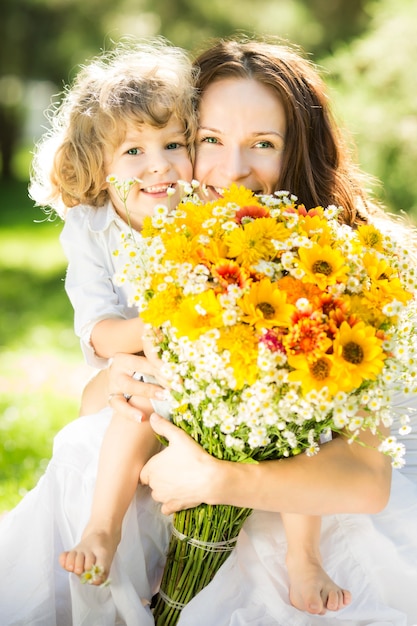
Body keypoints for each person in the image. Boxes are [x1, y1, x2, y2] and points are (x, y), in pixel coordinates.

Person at [0, 35, 416, 626]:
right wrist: (121, 376)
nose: (233, 170)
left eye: (264, 145)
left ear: (300, 152)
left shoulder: (351, 268)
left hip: (314, 494)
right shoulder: (179, 242)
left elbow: (366, 482)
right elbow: (99, 393)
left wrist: (214, 477)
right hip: (185, 475)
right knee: (90, 445)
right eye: (210, 141)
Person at [28, 39, 195, 587]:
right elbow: (98, 333)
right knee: (135, 388)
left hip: (199, 365)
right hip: (129, 360)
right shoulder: (92, 228)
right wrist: (156, 329)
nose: (158, 166)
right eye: (132, 152)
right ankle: (103, 526)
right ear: (98, 169)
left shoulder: (204, 213)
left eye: (175, 143)